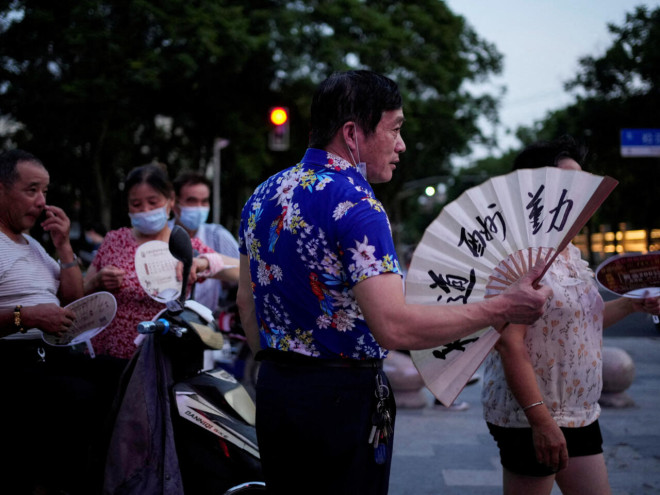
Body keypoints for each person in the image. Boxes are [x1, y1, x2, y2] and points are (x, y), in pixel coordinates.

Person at [236, 70, 553, 495]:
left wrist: (283, 367)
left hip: (274, 390)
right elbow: (394, 327)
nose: (401, 144)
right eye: (395, 129)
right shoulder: (358, 203)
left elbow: (245, 302)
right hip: (341, 399)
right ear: (352, 133)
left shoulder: (262, 195)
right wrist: (501, 309)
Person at [480, 135, 660, 495]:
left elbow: (580, 326)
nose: (580, 191)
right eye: (568, 181)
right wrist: (541, 421)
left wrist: (630, 304)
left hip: (580, 412)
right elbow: (509, 345)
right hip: (530, 416)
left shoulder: (570, 255)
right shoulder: (519, 257)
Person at [0, 149, 97, 494]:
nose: (42, 202)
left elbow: (72, 295)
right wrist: (26, 316)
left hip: (53, 353)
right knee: (79, 396)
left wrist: (63, 245)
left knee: (121, 374)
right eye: (32, 190)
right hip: (16, 361)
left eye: (45, 192)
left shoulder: (31, 245)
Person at [83, 163, 239, 361]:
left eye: (153, 202)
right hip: (111, 357)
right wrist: (96, 282)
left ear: (170, 201)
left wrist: (204, 263)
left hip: (164, 358)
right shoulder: (114, 241)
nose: (145, 210)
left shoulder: (184, 246)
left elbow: (242, 270)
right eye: (136, 204)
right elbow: (79, 296)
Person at [171, 170, 240, 313]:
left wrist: (208, 265)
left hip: (207, 322)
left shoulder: (216, 235)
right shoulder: (161, 235)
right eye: (191, 200)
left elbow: (246, 270)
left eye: (204, 201)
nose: (199, 207)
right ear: (174, 203)